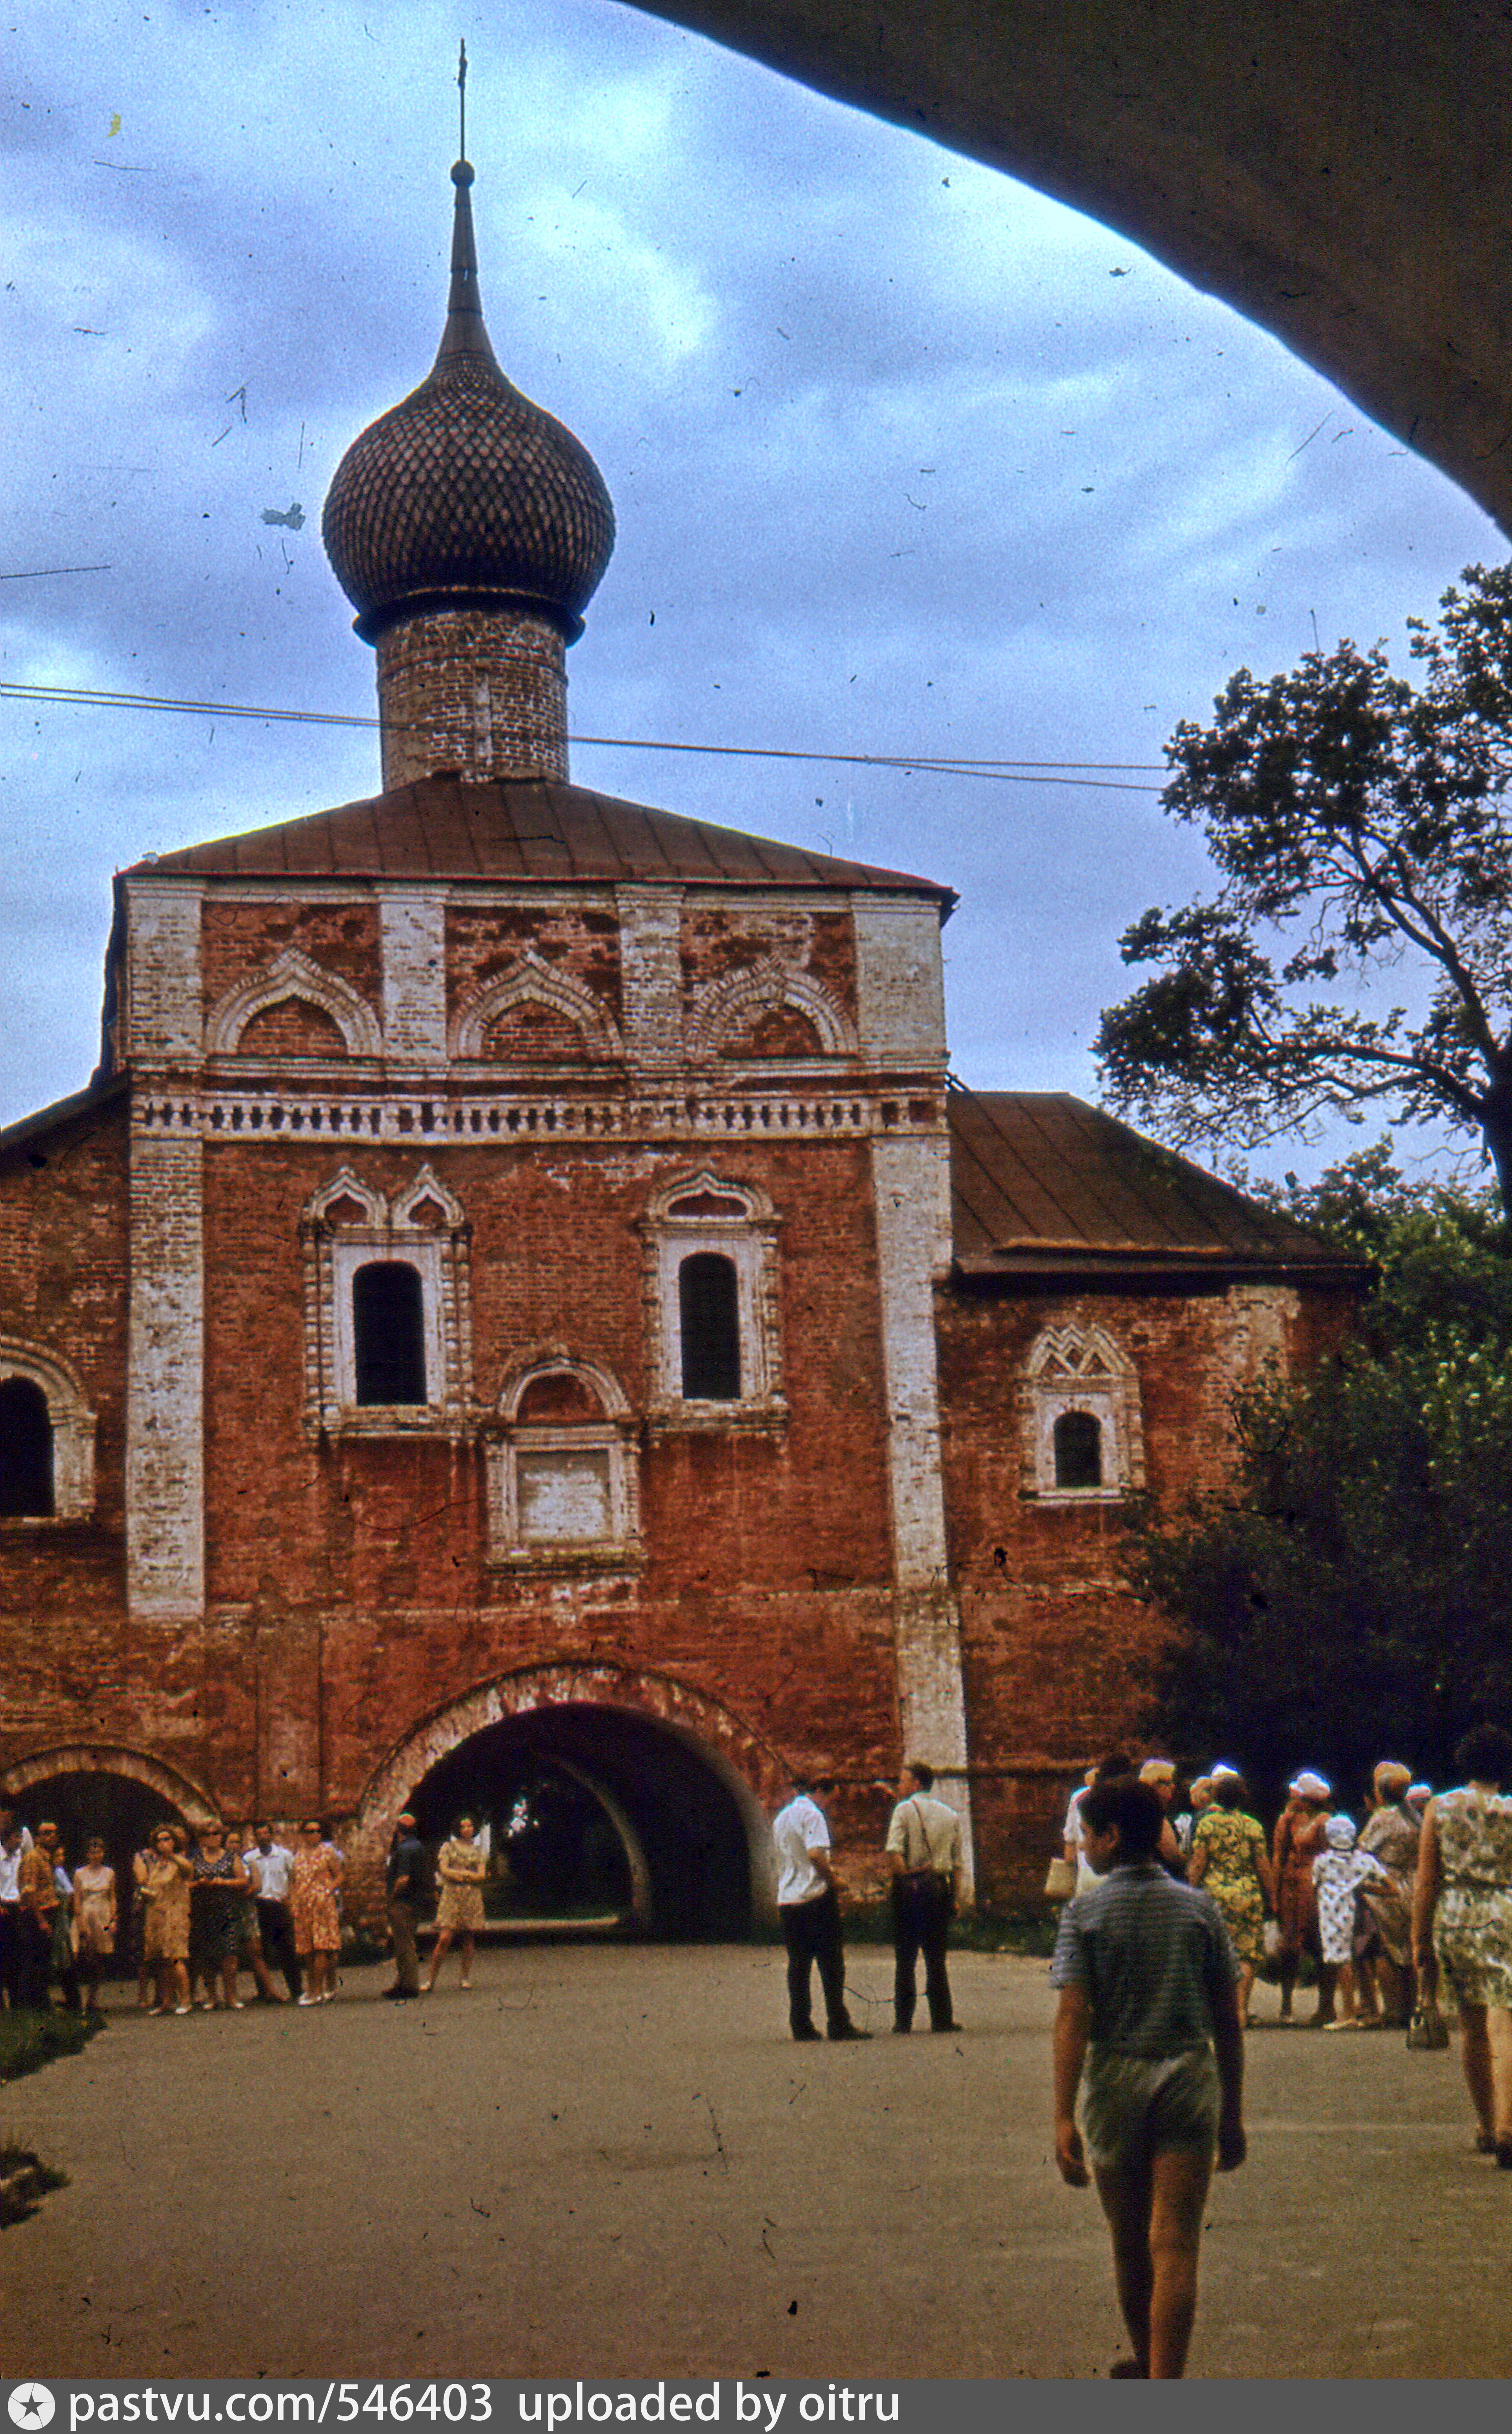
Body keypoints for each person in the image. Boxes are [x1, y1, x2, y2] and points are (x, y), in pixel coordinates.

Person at [1052, 1776, 1246, 2379]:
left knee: (1130, 2243)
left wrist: (1061, 2113)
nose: (1081, 1845)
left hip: (1114, 2082)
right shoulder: (1198, 1908)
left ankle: (1145, 2358)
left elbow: (1072, 2015)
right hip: (1188, 2078)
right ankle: (1166, 2380)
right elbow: (1227, 2018)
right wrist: (1232, 2112)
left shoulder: (1083, 1913)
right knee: (1177, 2243)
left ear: (1110, 1837)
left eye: (1085, 1834)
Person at [1411, 1723, 1512, 2164]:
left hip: (1456, 1914)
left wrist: (1419, 1938)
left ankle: (1488, 2126)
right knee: (1505, 2024)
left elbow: (1427, 1877)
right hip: (1507, 1912)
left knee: (1471, 2027)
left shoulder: (1441, 1806)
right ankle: (1510, 2122)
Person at [771, 1775, 867, 2042]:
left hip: (788, 1897)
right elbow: (815, 1854)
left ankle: (800, 2023)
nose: (829, 1806)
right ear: (820, 1792)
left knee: (798, 1964)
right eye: (830, 1798)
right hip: (815, 1896)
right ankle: (838, 2021)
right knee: (831, 1962)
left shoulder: (782, 1817)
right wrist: (834, 1879)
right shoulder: (812, 1815)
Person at [1187, 1770, 1277, 2027]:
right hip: (1246, 1892)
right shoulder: (1252, 1825)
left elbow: (1198, 1862)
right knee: (1246, 1954)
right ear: (1243, 1797)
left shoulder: (1207, 1824)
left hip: (1213, 1894)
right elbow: (1262, 1864)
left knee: (1212, 1953)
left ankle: (1214, 2011)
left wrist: (1190, 1890)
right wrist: (1271, 1895)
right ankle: (1240, 2010)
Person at [884, 1760, 963, 2035]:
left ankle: (903, 2020)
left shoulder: (903, 1810)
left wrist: (904, 1874)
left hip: (909, 1891)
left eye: (903, 1780)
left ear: (917, 1783)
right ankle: (942, 2018)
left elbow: (894, 1851)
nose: (899, 1785)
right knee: (936, 1958)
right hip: (939, 1891)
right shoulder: (950, 1815)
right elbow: (957, 1864)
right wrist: (956, 1897)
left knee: (905, 1958)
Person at [1353, 1762, 1422, 2028]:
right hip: (1413, 1886)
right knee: (1410, 1948)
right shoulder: (1413, 1817)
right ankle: (1412, 2006)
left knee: (1387, 1950)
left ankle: (1393, 2009)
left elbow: (1363, 1850)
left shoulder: (1382, 1818)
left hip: (1386, 1887)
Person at [1311, 1815, 1386, 2029]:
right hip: (1359, 1912)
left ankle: (1348, 2013)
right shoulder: (1364, 1861)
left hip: (1333, 1915)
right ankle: (1372, 2010)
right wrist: (1363, 1888)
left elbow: (1315, 1886)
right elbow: (1391, 1888)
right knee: (1362, 1960)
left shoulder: (1323, 1862)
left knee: (1342, 1960)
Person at [1272, 1771, 1333, 2024]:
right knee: (1289, 1945)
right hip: (1291, 1885)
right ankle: (1286, 2003)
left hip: (1317, 1884)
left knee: (1320, 1943)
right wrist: (1275, 1892)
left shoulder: (1326, 1821)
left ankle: (1326, 2005)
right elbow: (1279, 1854)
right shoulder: (1287, 1820)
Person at [424, 1815, 488, 1993]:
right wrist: (468, 1874)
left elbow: (482, 1875)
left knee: (468, 1937)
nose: (468, 1829)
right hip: (452, 1895)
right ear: (457, 1829)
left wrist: (461, 1874)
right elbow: (444, 1869)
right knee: (445, 1938)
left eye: (470, 1826)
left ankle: (465, 1977)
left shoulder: (477, 1851)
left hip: (471, 1896)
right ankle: (431, 1978)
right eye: (464, 1826)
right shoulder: (448, 1847)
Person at [140, 1824, 194, 2014]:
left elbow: (189, 1872)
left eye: (167, 1839)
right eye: (159, 1840)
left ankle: (186, 1999)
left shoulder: (180, 1862)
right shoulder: (156, 1866)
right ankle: (166, 2001)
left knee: (175, 1957)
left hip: (176, 1915)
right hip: (157, 1915)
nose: (163, 1843)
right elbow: (152, 1888)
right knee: (162, 1960)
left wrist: (172, 1856)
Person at [244, 1822, 300, 2001]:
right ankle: (264, 1991)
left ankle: (296, 1990)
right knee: (262, 1951)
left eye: (265, 1834)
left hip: (280, 1904)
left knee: (288, 1949)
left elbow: (293, 1877)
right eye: (258, 1834)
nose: (262, 1837)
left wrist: (291, 1898)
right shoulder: (250, 1857)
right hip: (260, 1904)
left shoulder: (284, 1855)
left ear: (272, 1835)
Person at [289, 1819, 342, 2004]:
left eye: (318, 1831)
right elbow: (294, 1880)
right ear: (303, 1834)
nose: (314, 1835)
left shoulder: (328, 1852)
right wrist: (293, 1901)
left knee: (322, 1947)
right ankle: (312, 1987)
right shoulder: (298, 1854)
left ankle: (318, 1991)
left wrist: (328, 1892)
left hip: (322, 1905)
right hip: (304, 1905)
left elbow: (340, 1876)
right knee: (308, 1950)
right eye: (310, 1832)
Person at [17, 1822, 66, 2008]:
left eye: (54, 1832)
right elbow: (29, 1892)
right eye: (47, 1833)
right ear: (38, 1838)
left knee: (45, 1962)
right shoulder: (33, 1858)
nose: (52, 1836)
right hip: (37, 1915)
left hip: (50, 1912)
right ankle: (34, 2004)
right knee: (35, 1962)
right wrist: (41, 1920)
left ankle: (41, 2001)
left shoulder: (49, 1859)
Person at [384, 1812, 430, 2001]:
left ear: (398, 1829)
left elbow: (403, 1878)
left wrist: (392, 1897)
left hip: (403, 1902)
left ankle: (409, 1985)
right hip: (416, 1901)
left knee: (404, 1945)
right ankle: (402, 1982)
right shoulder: (418, 1846)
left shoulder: (404, 1850)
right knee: (407, 1940)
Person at [72, 1837, 117, 2011]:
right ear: (87, 1855)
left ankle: (92, 1998)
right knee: (81, 1954)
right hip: (86, 1912)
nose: (96, 1856)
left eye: (99, 1852)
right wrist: (80, 1922)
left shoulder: (110, 1873)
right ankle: (76, 1998)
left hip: (103, 1913)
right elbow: (77, 1899)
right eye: (93, 1853)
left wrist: (114, 1919)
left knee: (100, 1957)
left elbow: (112, 1896)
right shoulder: (79, 1874)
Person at [1138, 1760, 1187, 1877]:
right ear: (1153, 1785)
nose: (1173, 1786)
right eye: (1168, 1783)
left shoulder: (1146, 1811)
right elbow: (1172, 1855)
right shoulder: (1155, 1815)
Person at [0, 1820, 25, 2008]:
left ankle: (17, 2001)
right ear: (9, 1839)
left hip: (18, 1908)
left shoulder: (20, 1858)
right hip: (2, 1908)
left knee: (17, 1957)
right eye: (17, 1838)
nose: (20, 1842)